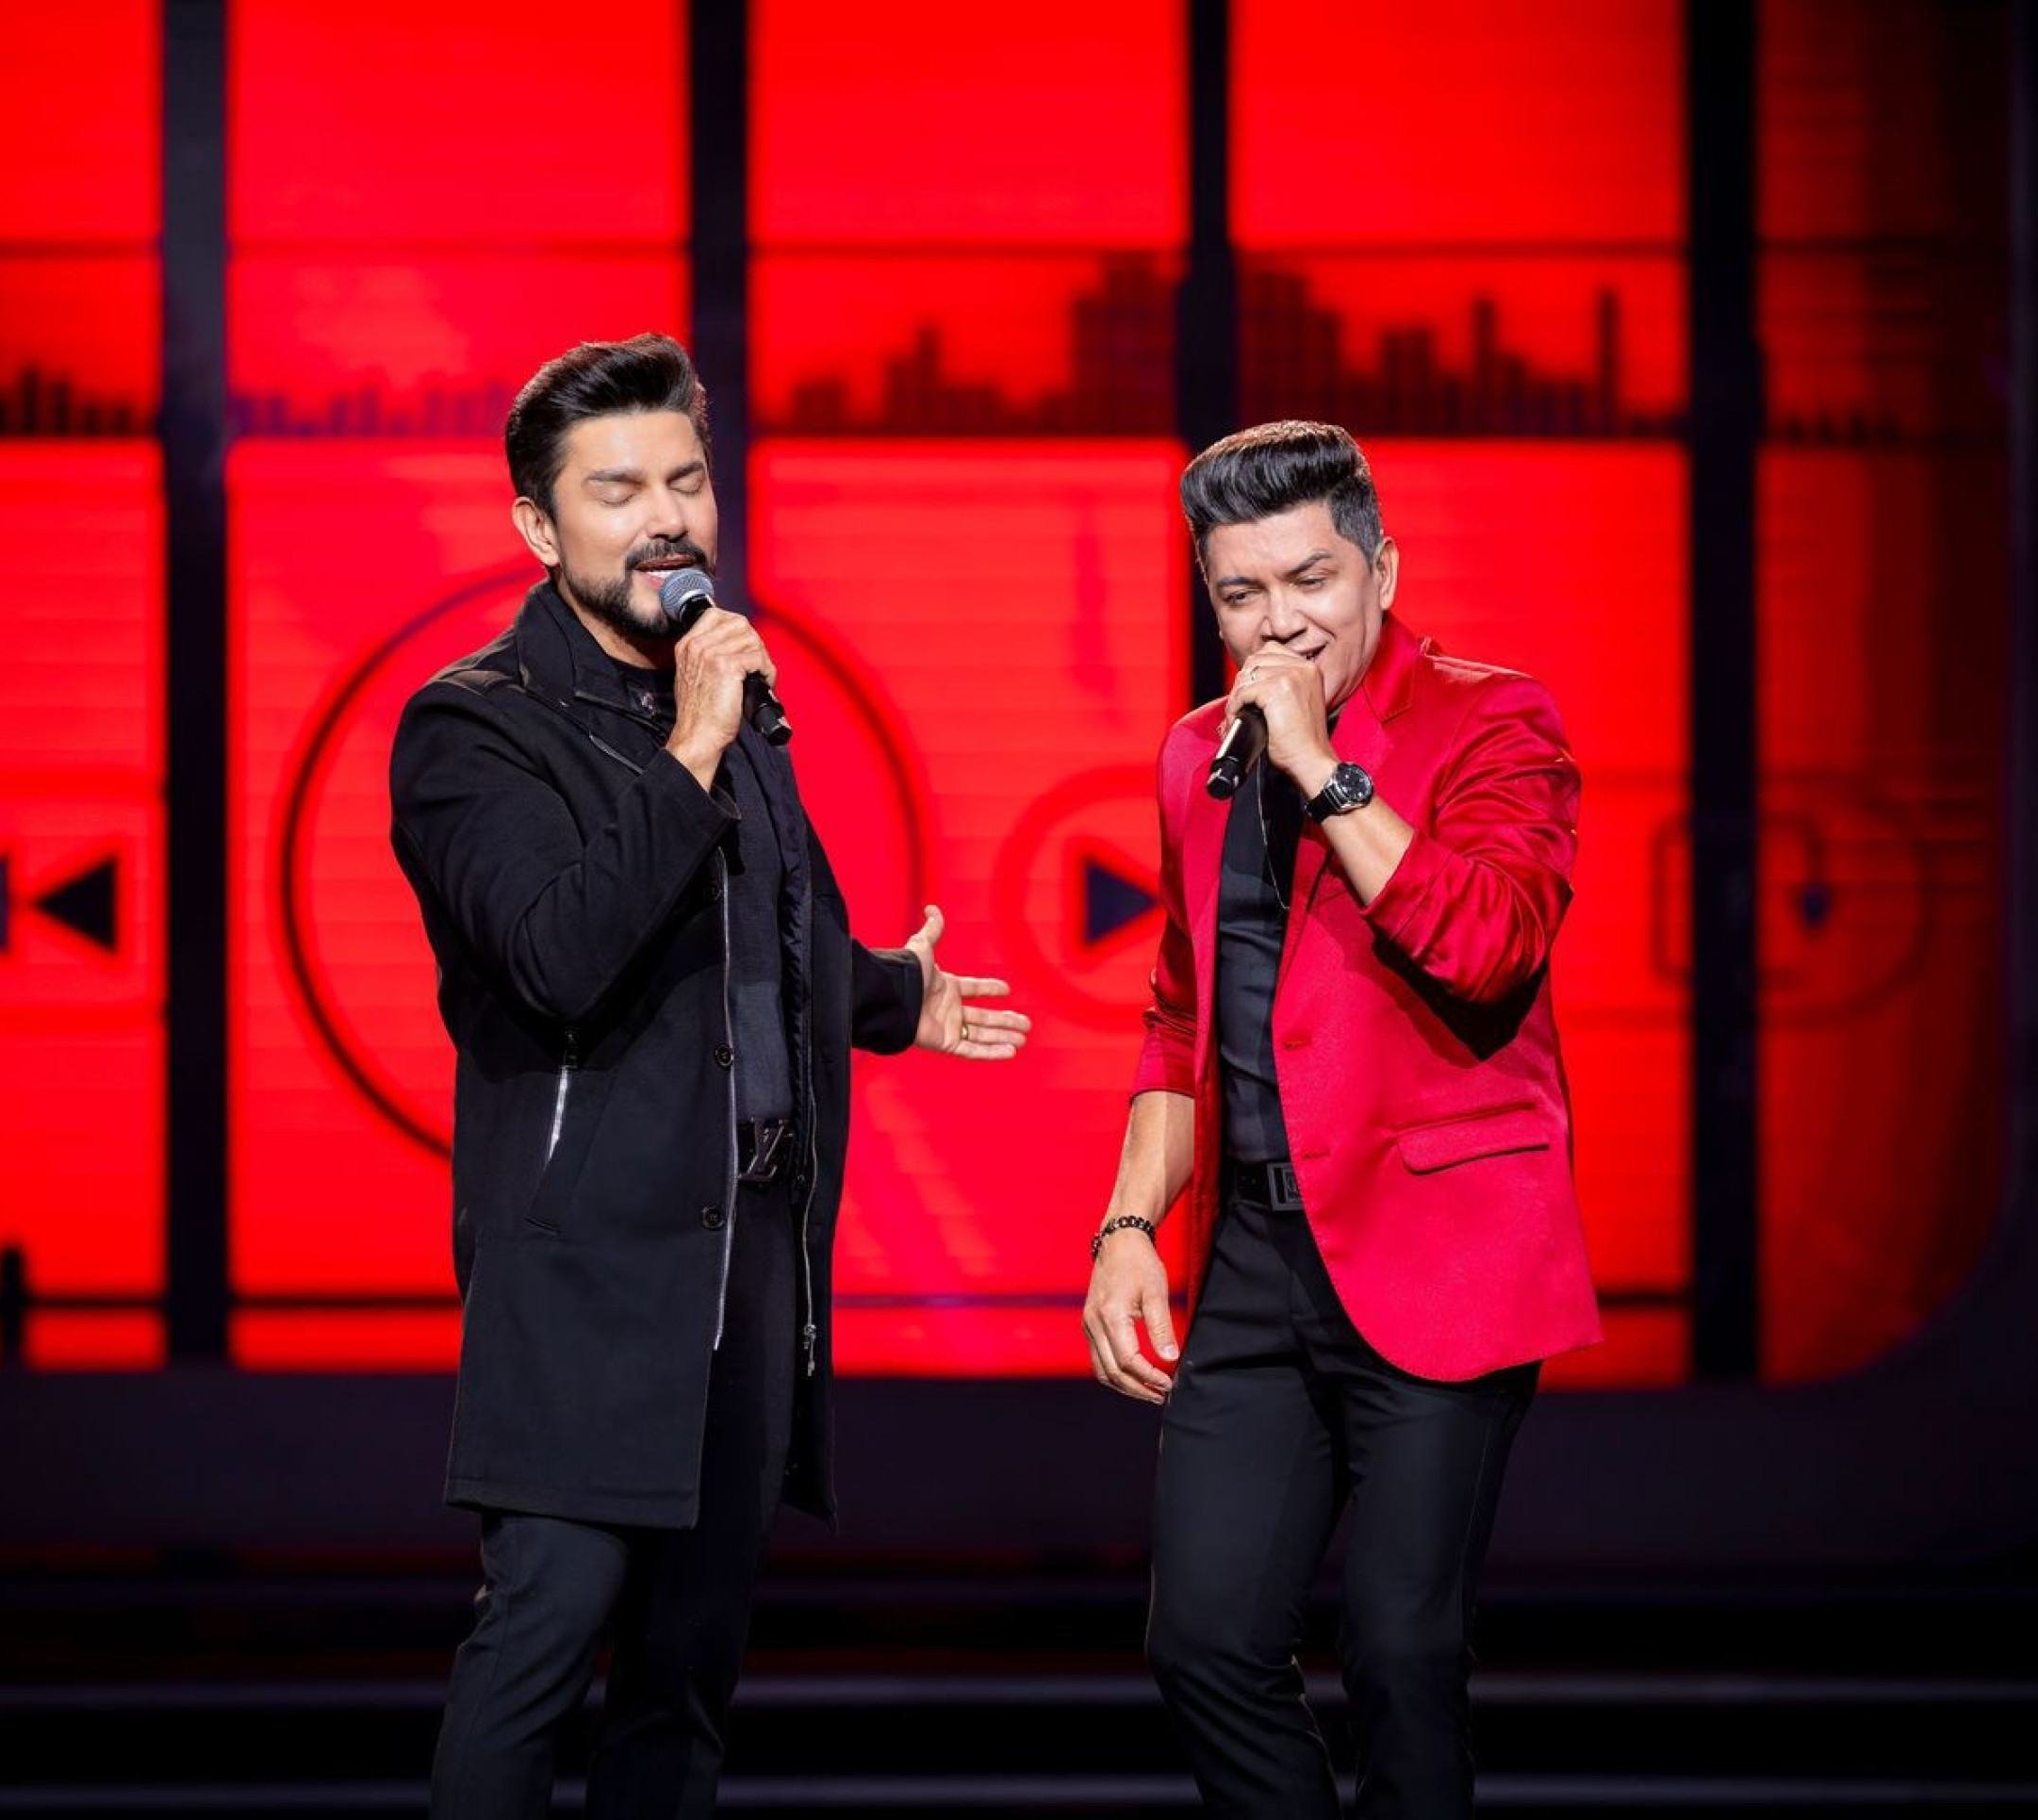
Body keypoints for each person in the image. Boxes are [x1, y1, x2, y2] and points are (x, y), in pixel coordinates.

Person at [390, 333, 1029, 1818]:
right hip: (587, 1276)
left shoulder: (726, 702)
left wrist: (894, 997)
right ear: (538, 527)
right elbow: (558, 953)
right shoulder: (477, 724)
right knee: (539, 1646)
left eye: (685, 480)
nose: (666, 517)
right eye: (617, 491)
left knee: (682, 1690)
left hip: (748, 1263)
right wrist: (690, 748)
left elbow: (759, 934)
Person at [1081, 420, 1601, 1816]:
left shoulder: (1495, 721)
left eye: (1310, 581)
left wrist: (1325, 771)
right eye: (1241, 594)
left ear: (1383, 571)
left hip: (1442, 1247)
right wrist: (1129, 1226)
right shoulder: (1195, 754)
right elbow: (1179, 1011)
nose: (1280, 623)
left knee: (1402, 1653)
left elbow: (1489, 943)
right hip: (1254, 1259)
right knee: (1202, 1641)